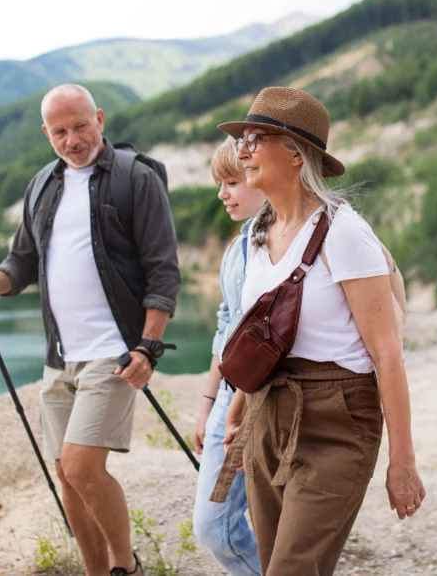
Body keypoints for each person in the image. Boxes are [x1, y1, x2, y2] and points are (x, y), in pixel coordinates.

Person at [0, 83, 181, 576]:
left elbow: (163, 270)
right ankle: (94, 570)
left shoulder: (135, 178)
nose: (72, 139)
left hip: (114, 354)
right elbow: (22, 261)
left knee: (82, 467)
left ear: (98, 118)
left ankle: (126, 567)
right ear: (46, 133)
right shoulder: (41, 185)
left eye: (80, 126)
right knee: (66, 474)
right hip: (61, 356)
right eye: (59, 131)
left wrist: (148, 346)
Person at [209, 86, 425, 576]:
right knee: (277, 567)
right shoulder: (259, 234)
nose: (242, 149)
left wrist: (402, 461)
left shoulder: (344, 233)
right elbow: (260, 336)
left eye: (255, 137)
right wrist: (240, 412)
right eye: (241, 138)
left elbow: (387, 354)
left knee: (292, 569)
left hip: (336, 421)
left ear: (294, 152)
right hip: (267, 416)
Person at [191, 137, 264, 575]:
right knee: (213, 525)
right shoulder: (236, 248)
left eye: (232, 181)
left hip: (262, 398)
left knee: (225, 523)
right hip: (230, 400)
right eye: (220, 183)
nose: (222, 194)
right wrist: (208, 404)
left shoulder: (281, 244)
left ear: (262, 178)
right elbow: (226, 326)